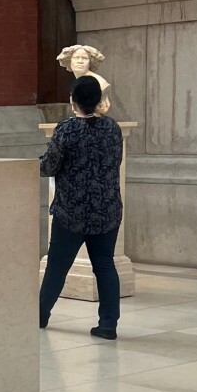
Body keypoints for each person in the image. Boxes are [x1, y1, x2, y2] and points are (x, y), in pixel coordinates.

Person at [39, 74, 124, 340]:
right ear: (98, 100)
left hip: (71, 211)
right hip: (107, 209)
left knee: (57, 267)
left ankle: (40, 315)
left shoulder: (66, 129)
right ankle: (108, 325)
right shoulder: (112, 128)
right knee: (105, 266)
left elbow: (48, 166)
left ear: (73, 101)